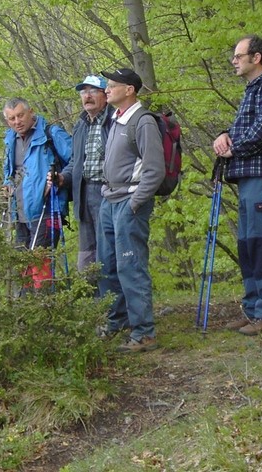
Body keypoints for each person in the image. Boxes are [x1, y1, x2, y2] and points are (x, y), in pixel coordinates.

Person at [213, 35, 262, 336]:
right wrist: (224, 135)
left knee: (261, 243)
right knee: (247, 244)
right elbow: (244, 127)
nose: (234, 61)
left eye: (238, 55)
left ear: (256, 58)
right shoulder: (253, 89)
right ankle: (253, 310)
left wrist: (234, 148)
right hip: (248, 176)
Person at [96, 68, 165, 353]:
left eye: (112, 85)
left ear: (130, 90)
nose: (107, 90)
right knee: (107, 267)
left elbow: (155, 170)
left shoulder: (143, 121)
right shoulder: (115, 119)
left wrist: (136, 202)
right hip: (109, 201)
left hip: (129, 202)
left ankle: (144, 333)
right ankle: (117, 321)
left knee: (131, 267)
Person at [2, 98, 72, 290]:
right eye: (11, 118)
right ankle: (29, 314)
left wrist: (61, 178)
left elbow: (76, 159)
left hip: (49, 209)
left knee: (40, 268)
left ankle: (46, 312)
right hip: (20, 213)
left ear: (30, 112)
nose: (17, 121)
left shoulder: (51, 134)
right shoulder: (10, 139)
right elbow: (10, 172)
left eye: (20, 115)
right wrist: (6, 185)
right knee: (23, 270)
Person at [52, 75, 114, 275]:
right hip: (83, 193)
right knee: (87, 256)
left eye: (93, 91)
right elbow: (75, 163)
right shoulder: (80, 125)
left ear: (105, 94)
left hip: (108, 193)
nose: (87, 96)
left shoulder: (115, 121)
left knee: (109, 252)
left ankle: (114, 303)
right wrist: (63, 178)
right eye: (83, 92)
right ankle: (95, 303)